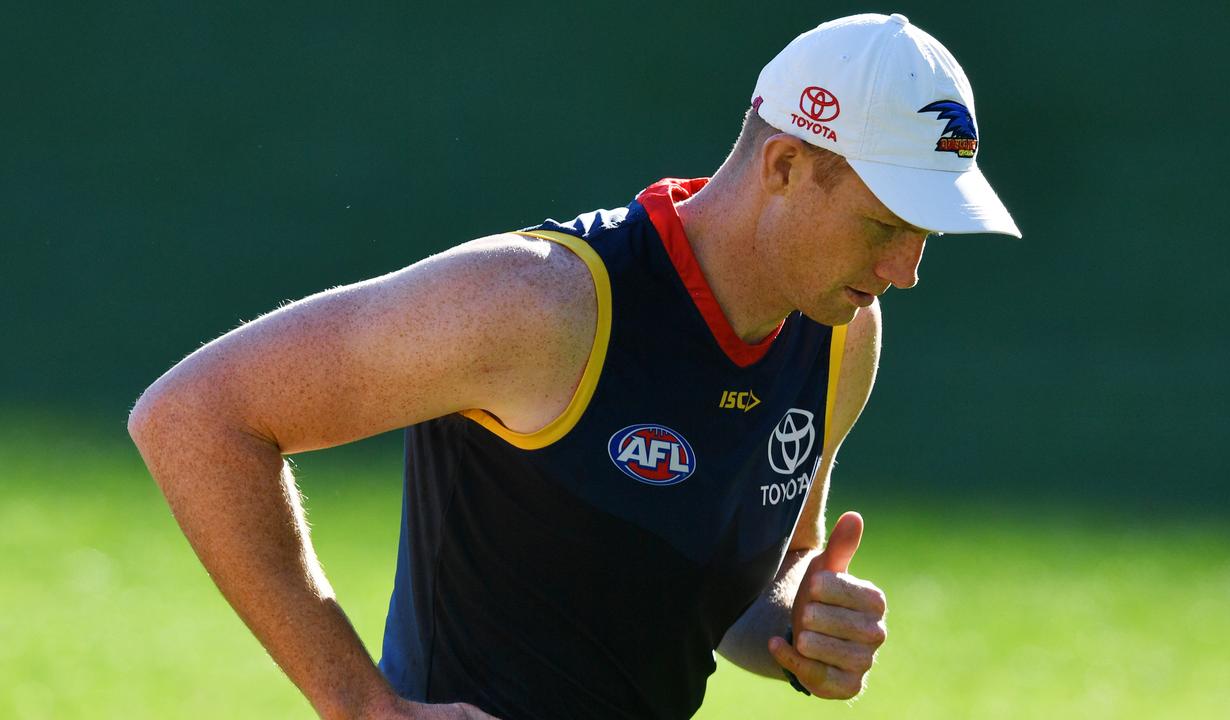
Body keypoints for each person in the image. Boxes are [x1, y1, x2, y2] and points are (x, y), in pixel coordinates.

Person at [128, 12, 1020, 720]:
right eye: (885, 224)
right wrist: (359, 704)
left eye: (926, 232)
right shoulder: (542, 302)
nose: (906, 270)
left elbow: (753, 576)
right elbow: (195, 416)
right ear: (786, 164)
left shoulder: (840, 335)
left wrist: (799, 623)